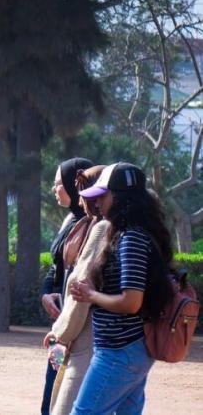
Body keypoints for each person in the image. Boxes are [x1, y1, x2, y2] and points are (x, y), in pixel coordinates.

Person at [69, 163, 175, 414]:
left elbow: (131, 302)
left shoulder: (131, 239)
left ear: (121, 198)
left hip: (120, 352)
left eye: (103, 196)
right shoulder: (135, 234)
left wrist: (91, 295)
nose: (98, 204)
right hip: (129, 350)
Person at [42, 165, 108, 415]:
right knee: (52, 387)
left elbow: (80, 283)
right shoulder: (75, 222)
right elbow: (58, 266)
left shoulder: (99, 227)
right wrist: (46, 293)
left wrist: (60, 333)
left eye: (60, 183)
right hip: (66, 323)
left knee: (61, 399)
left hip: (75, 330)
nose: (55, 188)